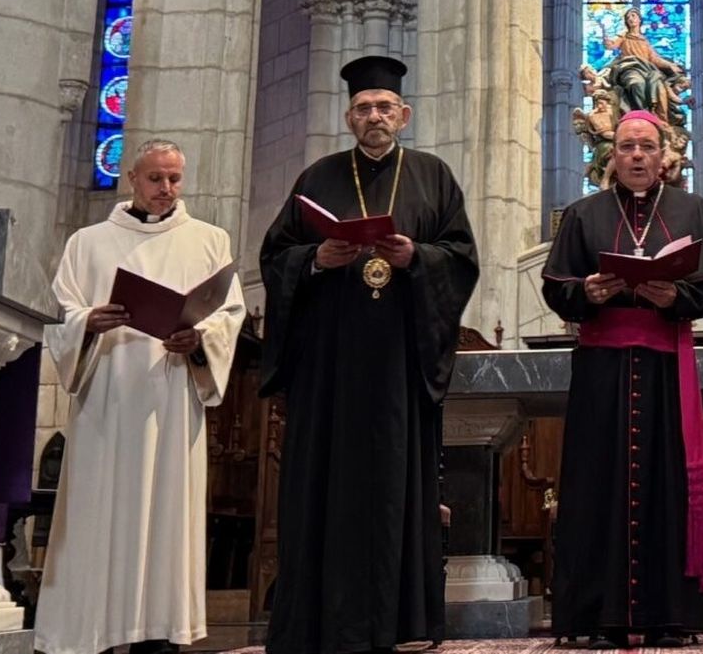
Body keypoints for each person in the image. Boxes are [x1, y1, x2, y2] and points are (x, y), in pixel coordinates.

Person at [260, 55, 479, 654]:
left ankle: (400, 620)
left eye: (384, 107)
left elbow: (462, 259)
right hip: (330, 364)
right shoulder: (317, 178)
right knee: (324, 485)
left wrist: (417, 258)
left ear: (403, 115)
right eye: (362, 108)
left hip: (398, 361)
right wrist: (314, 259)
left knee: (394, 486)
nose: (373, 116)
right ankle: (319, 622)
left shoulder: (433, 177)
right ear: (349, 118)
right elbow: (274, 257)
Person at [541, 110, 703, 649]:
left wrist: (677, 295)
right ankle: (595, 615)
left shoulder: (692, 210)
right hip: (600, 369)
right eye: (626, 146)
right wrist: (587, 292)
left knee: (665, 482)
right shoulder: (583, 214)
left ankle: (668, 614)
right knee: (595, 484)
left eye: (646, 147)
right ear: (611, 155)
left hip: (664, 365)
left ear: (663, 155)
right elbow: (556, 286)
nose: (636, 156)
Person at [37, 139, 246, 654]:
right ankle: (93, 634)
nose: (166, 188)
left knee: (165, 519)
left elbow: (228, 314)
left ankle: (158, 634)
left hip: (171, 396)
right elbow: (62, 316)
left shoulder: (208, 240)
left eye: (175, 178)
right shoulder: (88, 243)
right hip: (106, 399)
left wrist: (200, 339)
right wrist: (89, 323)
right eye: (155, 178)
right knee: (98, 515)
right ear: (131, 178)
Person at [598, 8, 686, 121]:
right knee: (636, 83)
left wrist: (670, 65)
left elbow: (654, 59)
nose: (631, 19)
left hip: (646, 69)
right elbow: (611, 45)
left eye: (633, 16)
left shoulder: (644, 40)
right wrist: (605, 37)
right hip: (629, 68)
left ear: (640, 19)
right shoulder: (624, 36)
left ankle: (659, 117)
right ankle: (643, 114)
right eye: (628, 18)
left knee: (658, 84)